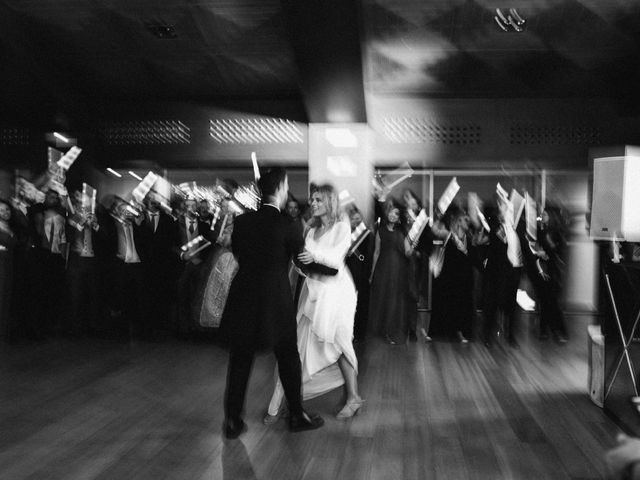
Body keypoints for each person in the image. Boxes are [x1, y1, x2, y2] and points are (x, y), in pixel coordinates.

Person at [220, 167, 324, 439]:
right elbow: (302, 261)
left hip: (243, 294)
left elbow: (239, 254)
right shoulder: (288, 224)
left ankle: (232, 421)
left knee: (240, 358)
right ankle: (297, 415)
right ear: (280, 189)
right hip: (275, 298)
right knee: (288, 356)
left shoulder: (243, 222)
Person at [264, 183, 363, 423]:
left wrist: (313, 257)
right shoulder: (309, 231)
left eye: (318, 200)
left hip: (337, 294)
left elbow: (335, 260)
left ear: (329, 201)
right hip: (313, 292)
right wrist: (301, 262)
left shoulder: (341, 226)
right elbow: (302, 263)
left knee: (339, 343)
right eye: (313, 200)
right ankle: (285, 401)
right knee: (297, 346)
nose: (313, 204)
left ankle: (353, 397)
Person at [429, 205, 478, 343]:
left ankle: (461, 332)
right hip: (450, 277)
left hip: (465, 278)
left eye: (467, 220)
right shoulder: (449, 235)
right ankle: (445, 332)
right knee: (449, 304)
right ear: (458, 221)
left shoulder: (469, 237)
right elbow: (434, 230)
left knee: (463, 305)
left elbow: (472, 256)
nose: (466, 223)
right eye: (464, 220)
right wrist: (439, 216)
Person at [369, 200, 412, 345]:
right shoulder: (380, 231)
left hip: (398, 271)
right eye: (391, 212)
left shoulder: (402, 232)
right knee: (384, 299)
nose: (393, 215)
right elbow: (376, 252)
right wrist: (372, 273)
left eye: (396, 213)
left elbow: (407, 252)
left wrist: (412, 248)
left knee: (395, 300)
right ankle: (384, 331)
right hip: (383, 269)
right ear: (387, 213)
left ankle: (393, 330)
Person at [482, 196, 524, 348]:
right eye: (505, 206)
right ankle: (487, 335)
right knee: (492, 304)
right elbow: (498, 240)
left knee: (511, 305)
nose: (509, 209)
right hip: (497, 272)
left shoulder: (518, 226)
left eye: (509, 207)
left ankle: (510, 335)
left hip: (514, 270)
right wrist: (505, 223)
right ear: (500, 208)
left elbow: (522, 245)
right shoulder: (495, 224)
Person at [0, 199, 16, 340]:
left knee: (6, 298)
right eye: (2, 210)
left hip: (8, 265)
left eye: (7, 209)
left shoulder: (10, 226)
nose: (5, 212)